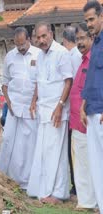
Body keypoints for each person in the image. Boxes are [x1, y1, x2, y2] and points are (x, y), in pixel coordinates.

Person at [27, 21, 73, 204]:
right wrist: (33, 101)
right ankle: (44, 189)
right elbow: (39, 81)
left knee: (56, 152)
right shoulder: (40, 56)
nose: (41, 40)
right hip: (43, 110)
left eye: (44, 36)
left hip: (57, 111)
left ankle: (58, 193)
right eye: (38, 37)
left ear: (51, 34)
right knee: (45, 152)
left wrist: (60, 106)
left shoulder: (61, 53)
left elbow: (68, 81)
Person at [0, 27, 40, 190]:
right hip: (14, 106)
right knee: (9, 141)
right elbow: (5, 83)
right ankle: (6, 177)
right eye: (17, 45)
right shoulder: (10, 56)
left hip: (32, 106)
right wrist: (8, 102)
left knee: (28, 144)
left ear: (29, 39)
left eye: (22, 44)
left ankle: (28, 181)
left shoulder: (38, 54)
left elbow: (39, 81)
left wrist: (34, 101)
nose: (20, 47)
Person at [70, 22, 97, 210]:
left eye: (82, 38)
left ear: (92, 38)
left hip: (89, 121)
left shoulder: (94, 60)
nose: (79, 42)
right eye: (77, 39)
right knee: (81, 164)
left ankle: (96, 201)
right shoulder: (82, 60)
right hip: (76, 122)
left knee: (93, 164)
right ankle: (86, 201)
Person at [81, 1, 103, 213]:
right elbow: (92, 77)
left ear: (102, 16)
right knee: (97, 165)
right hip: (92, 111)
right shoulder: (95, 43)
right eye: (86, 20)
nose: (89, 24)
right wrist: (83, 104)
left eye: (92, 19)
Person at [62, 25, 82, 198]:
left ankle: (76, 185)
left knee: (73, 151)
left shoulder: (70, 56)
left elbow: (68, 84)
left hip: (72, 110)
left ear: (64, 40)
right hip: (75, 109)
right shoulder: (80, 55)